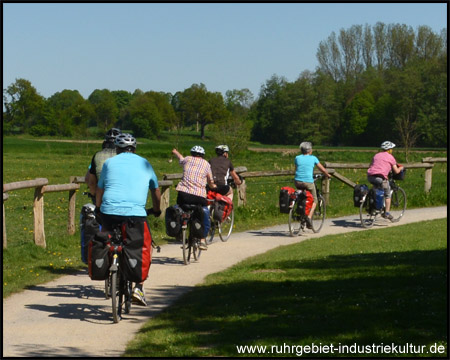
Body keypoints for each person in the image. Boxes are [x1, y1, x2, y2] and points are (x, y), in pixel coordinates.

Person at [96, 133, 161, 306]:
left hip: (109, 212)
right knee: (145, 245)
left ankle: (110, 265)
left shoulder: (109, 163)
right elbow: (155, 190)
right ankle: (139, 287)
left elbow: (100, 189)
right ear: (135, 148)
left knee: (106, 239)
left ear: (117, 149)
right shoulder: (145, 163)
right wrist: (156, 209)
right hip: (136, 214)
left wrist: (98, 208)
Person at [172, 146, 217, 250]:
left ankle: (179, 230)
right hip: (199, 196)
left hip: (183, 194)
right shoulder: (206, 164)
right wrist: (214, 187)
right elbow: (210, 181)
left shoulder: (187, 159)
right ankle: (202, 240)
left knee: (179, 208)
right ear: (202, 155)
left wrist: (175, 152)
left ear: (192, 153)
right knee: (204, 211)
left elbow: (181, 158)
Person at [294, 142, 331, 228]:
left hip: (297, 181)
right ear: (310, 150)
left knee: (301, 196)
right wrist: (327, 175)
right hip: (308, 182)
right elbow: (322, 169)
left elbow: (296, 169)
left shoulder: (297, 158)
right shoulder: (313, 158)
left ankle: (299, 210)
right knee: (314, 200)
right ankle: (308, 217)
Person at [367, 141, 404, 220]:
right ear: (389, 150)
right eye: (392, 149)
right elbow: (397, 171)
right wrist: (401, 168)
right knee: (387, 194)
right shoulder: (391, 157)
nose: (392, 150)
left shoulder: (376, 155)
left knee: (376, 191)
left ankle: (372, 208)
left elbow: (370, 165)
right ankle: (386, 213)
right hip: (380, 178)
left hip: (370, 176)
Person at [85, 128, 122, 203]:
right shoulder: (125, 156)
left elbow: (89, 180)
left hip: (102, 196)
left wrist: (94, 194)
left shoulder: (98, 156)